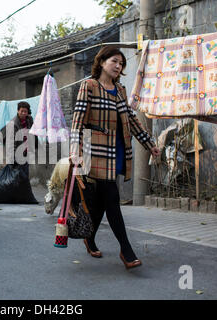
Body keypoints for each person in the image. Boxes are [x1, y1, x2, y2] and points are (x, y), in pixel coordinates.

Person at [69, 46, 161, 269]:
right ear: (101, 62)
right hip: (95, 151)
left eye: (121, 63)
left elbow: (131, 120)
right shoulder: (89, 86)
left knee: (102, 200)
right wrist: (75, 150)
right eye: (114, 61)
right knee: (111, 197)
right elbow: (78, 120)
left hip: (118, 150)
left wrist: (149, 144)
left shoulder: (119, 89)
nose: (118, 66)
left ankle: (89, 238)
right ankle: (126, 250)